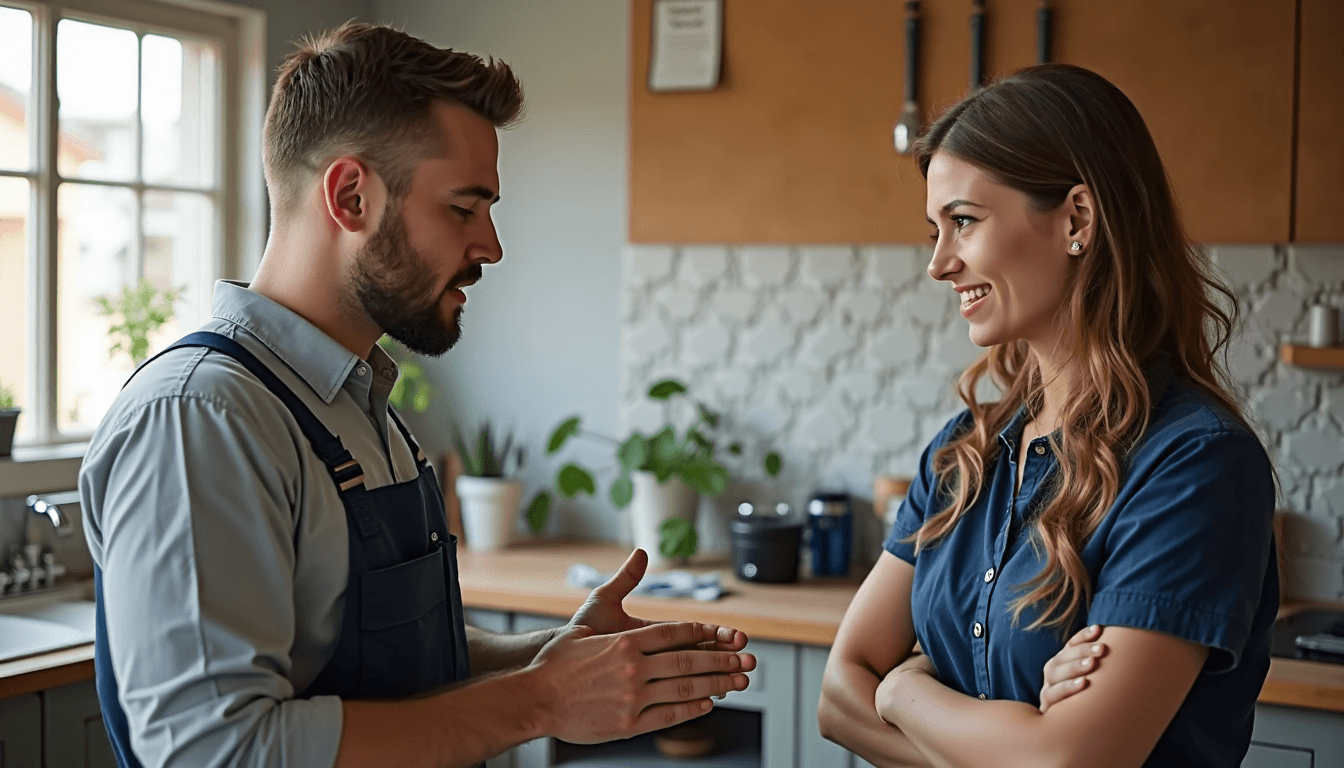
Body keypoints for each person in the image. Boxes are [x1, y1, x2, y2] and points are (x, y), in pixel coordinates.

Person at [79, 23, 754, 768]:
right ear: (351, 196)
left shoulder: (360, 401)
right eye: (463, 209)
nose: (491, 245)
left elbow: (379, 658)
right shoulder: (202, 421)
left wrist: (552, 658)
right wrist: (542, 699)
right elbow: (217, 750)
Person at [818, 64, 1278, 768]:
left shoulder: (1196, 464)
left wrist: (905, 690)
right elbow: (837, 695)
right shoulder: (963, 455)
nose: (939, 264)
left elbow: (1068, 761)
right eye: (935, 230)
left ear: (1077, 220)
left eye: (963, 222)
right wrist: (1009, 735)